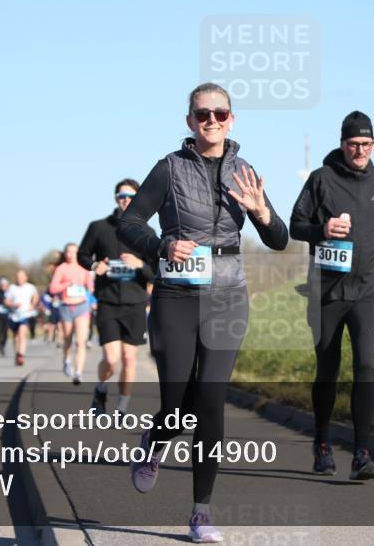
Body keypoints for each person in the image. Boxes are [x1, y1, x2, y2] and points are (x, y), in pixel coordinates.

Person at [118, 82, 288, 543]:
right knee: (176, 404)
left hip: (227, 296)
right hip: (175, 294)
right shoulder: (168, 168)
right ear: (190, 121)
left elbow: (279, 240)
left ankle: (201, 513)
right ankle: (154, 445)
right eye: (202, 114)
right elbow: (129, 224)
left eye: (219, 113)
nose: (211, 121)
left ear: (232, 119)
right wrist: (162, 244)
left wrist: (263, 214)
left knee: (211, 401)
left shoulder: (245, 172)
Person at [290, 111, 374, 480]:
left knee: (366, 366)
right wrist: (323, 228)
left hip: (369, 289)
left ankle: (361, 453)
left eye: (367, 145)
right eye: (354, 144)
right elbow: (295, 225)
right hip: (327, 290)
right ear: (342, 144)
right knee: (328, 369)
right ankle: (322, 443)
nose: (360, 151)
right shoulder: (320, 180)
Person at [78, 178, 157, 417]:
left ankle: (122, 406)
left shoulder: (147, 232)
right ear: (115, 199)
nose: (126, 200)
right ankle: (101, 390)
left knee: (129, 357)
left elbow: (156, 271)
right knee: (111, 359)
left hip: (135, 302)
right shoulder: (99, 227)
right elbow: (82, 255)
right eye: (122, 196)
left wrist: (140, 264)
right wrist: (94, 266)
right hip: (108, 300)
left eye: (131, 197)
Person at [49, 243, 94, 385]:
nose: (70, 254)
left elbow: (91, 286)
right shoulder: (61, 269)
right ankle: (66, 360)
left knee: (81, 341)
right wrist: (67, 284)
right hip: (66, 307)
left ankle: (78, 373)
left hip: (82, 306)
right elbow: (53, 288)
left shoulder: (83, 267)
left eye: (73, 252)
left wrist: (90, 291)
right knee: (67, 339)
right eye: (68, 252)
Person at [5, 269, 38, 366]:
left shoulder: (30, 287)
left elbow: (36, 296)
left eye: (21, 277)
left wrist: (32, 305)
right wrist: (13, 305)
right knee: (15, 337)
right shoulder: (12, 288)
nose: (19, 279)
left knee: (22, 334)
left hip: (25, 314)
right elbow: (6, 301)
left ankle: (21, 355)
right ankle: (17, 352)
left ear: (25, 278)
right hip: (14, 315)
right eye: (18, 277)